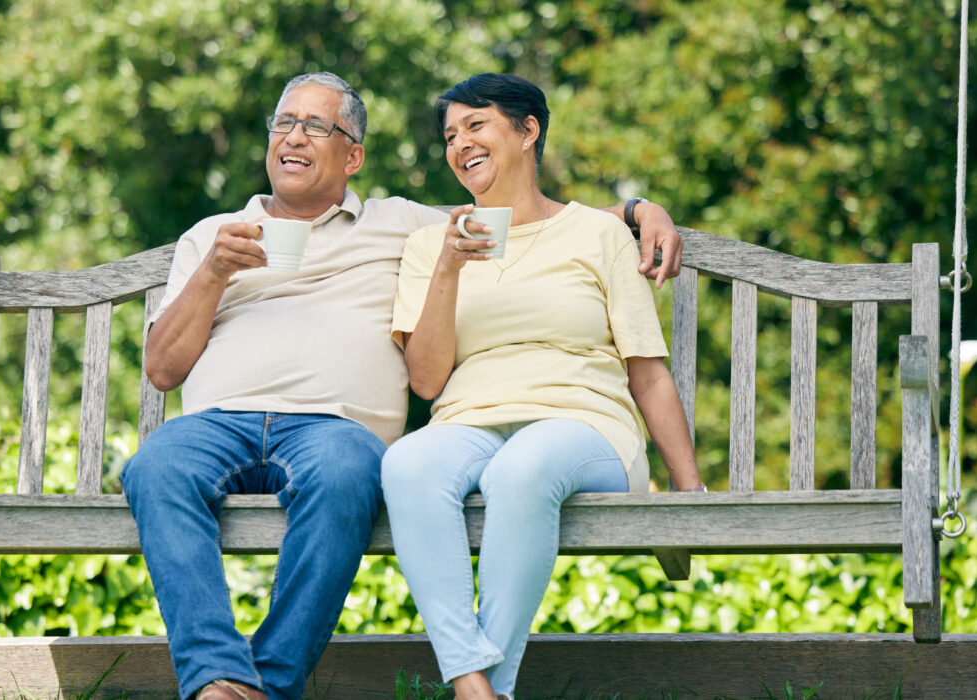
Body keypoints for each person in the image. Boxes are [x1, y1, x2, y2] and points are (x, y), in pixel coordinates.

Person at [121, 71, 686, 700]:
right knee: (154, 468)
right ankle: (217, 682)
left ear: (353, 156)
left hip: (335, 429)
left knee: (347, 476)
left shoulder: (399, 224)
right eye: (284, 123)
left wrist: (639, 211)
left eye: (316, 126)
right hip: (217, 421)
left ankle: (269, 684)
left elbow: (521, 215)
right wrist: (214, 273)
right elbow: (164, 370)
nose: (295, 137)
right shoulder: (212, 236)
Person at [381, 73, 704, 700]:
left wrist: (688, 491)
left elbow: (647, 371)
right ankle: (475, 687)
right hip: (469, 423)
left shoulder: (598, 233)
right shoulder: (430, 245)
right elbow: (425, 381)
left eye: (477, 125)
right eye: (450, 135)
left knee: (521, 468)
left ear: (528, 131)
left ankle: (487, 691)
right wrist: (448, 267)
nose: (460, 145)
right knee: (408, 462)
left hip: (585, 427)